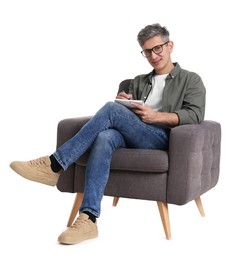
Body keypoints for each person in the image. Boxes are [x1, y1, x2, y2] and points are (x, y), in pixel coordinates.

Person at [10, 23, 206, 245]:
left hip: (161, 137)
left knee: (111, 110)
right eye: (147, 51)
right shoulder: (139, 81)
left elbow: (195, 114)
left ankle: (54, 165)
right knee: (104, 137)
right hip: (133, 132)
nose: (153, 55)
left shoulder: (191, 80)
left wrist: (156, 117)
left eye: (158, 48)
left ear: (170, 46)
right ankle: (88, 219)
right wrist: (124, 101)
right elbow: (122, 116)